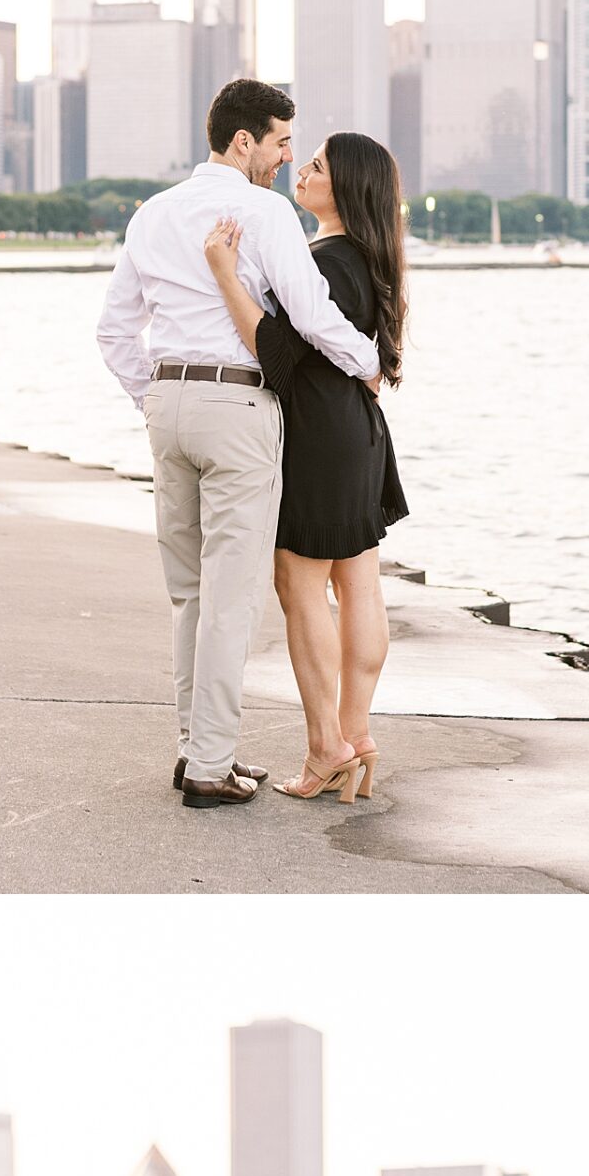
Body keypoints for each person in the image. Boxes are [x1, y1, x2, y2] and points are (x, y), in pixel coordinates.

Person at [97, 80, 382, 810]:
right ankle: (210, 767)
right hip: (236, 402)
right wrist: (372, 363)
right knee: (231, 595)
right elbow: (314, 316)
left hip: (168, 401)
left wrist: (156, 398)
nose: (289, 158)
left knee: (189, 591)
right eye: (283, 142)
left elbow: (113, 332)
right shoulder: (263, 211)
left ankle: (196, 747)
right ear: (244, 141)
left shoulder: (153, 214)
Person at [202, 133, 409, 803]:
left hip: (319, 434)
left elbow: (277, 352)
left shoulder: (321, 260)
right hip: (358, 430)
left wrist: (227, 276)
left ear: (343, 187)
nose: (302, 169)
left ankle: (326, 748)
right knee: (358, 582)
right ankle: (356, 733)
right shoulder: (369, 258)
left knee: (300, 584)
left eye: (316, 165)